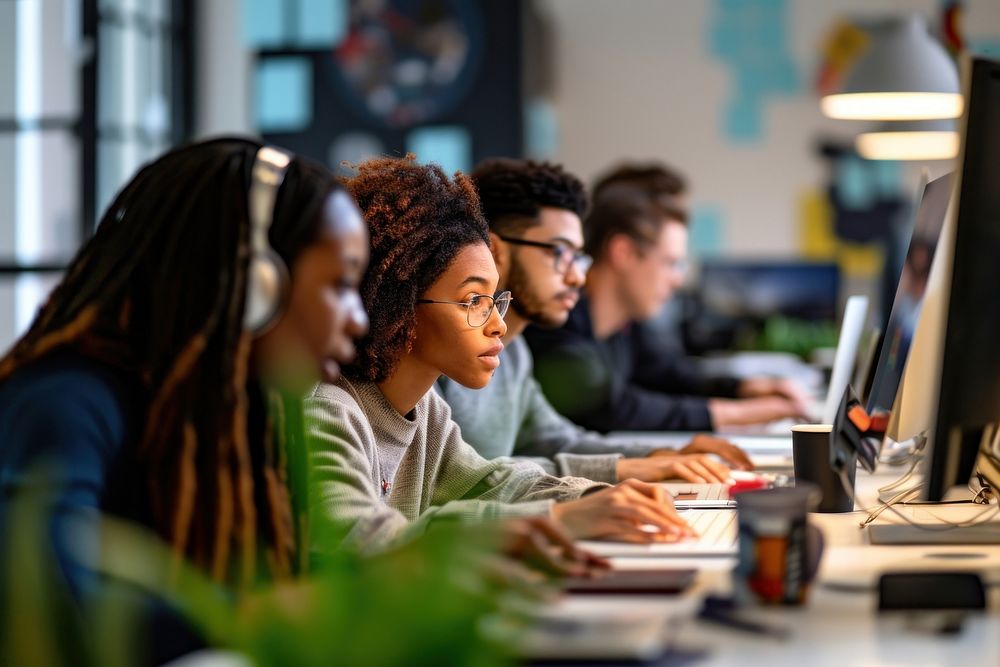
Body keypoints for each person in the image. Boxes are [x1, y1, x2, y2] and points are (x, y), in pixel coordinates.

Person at [0, 139, 593, 667]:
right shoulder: (68, 401)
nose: (361, 316)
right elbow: (41, 593)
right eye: (340, 286)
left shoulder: (220, 414)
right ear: (256, 287)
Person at [305, 156, 694, 555]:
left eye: (494, 300)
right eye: (473, 300)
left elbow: (492, 480)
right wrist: (558, 520)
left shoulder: (427, 413)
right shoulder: (327, 411)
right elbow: (364, 543)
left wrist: (593, 496)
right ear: (400, 304)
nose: (498, 325)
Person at [435, 158, 750, 485]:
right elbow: (456, 479)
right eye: (559, 253)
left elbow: (560, 441)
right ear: (496, 251)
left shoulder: (514, 353)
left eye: (578, 257)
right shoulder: (442, 354)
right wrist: (623, 470)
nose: (577, 276)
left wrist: (658, 456)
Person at [525, 185, 810, 433]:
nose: (678, 280)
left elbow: (670, 375)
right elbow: (612, 406)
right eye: (670, 263)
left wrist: (744, 388)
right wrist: (750, 412)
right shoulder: (555, 323)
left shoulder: (623, 329)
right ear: (623, 252)